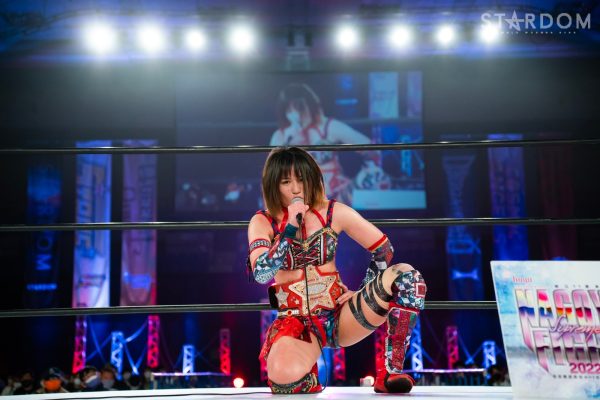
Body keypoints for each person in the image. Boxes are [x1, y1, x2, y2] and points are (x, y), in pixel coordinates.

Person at [247, 147, 426, 393]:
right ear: (273, 185)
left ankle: (390, 372)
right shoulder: (262, 221)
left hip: (341, 315)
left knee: (407, 276)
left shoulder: (333, 211)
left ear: (312, 178)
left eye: (301, 179)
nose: (296, 189)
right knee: (284, 380)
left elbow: (384, 249)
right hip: (296, 323)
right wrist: (289, 229)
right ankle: (306, 369)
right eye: (286, 182)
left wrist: (362, 290)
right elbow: (261, 274)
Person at [269, 84, 389, 204]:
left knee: (374, 177)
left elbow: (369, 146)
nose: (297, 116)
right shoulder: (281, 136)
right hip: (299, 198)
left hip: (336, 195)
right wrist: (288, 144)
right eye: (290, 111)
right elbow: (272, 174)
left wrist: (369, 166)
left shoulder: (328, 127)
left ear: (311, 106)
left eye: (300, 108)